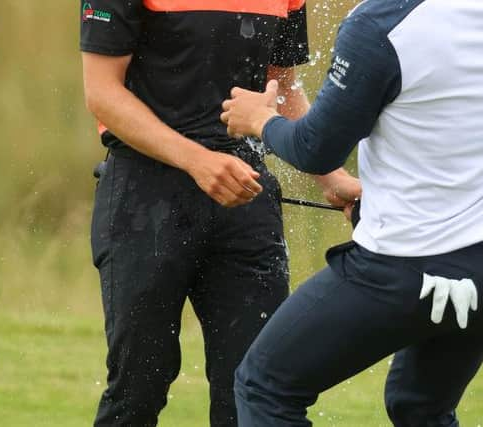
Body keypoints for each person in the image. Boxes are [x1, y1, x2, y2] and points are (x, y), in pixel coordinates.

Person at [221, 0, 483, 425]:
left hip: (404, 273)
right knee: (419, 406)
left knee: (264, 385)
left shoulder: (377, 25)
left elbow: (315, 149)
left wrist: (261, 120)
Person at [79, 0, 358, 425]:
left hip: (245, 197)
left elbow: (280, 84)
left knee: (254, 388)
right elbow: (102, 93)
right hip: (143, 197)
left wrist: (331, 176)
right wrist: (196, 160)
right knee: (138, 389)